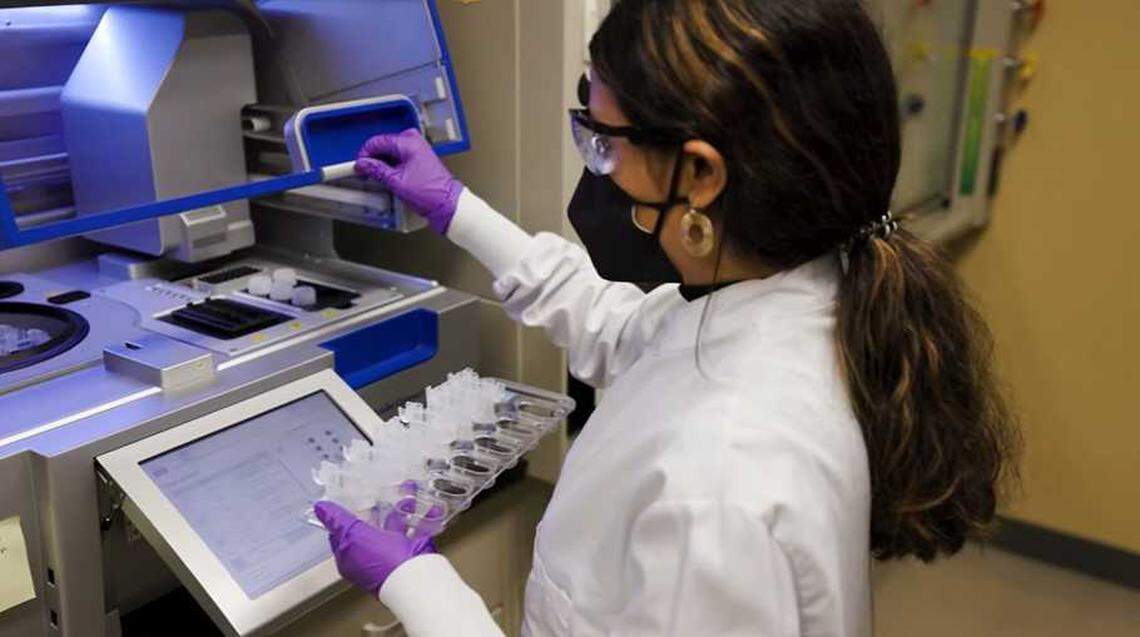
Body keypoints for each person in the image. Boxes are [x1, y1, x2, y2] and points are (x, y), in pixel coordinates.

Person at [313, 0, 1020, 634]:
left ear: (702, 175)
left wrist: (418, 585)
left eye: (606, 142)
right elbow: (626, 330)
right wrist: (456, 209)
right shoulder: (802, 293)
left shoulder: (713, 487)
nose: (600, 168)